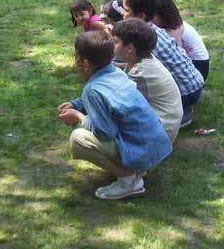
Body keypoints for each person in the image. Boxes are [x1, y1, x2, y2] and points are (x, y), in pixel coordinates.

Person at [58, 31, 172, 200]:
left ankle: (128, 181)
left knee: (78, 139)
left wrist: (78, 116)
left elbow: (105, 132)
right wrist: (77, 104)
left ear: (85, 63)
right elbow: (109, 98)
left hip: (142, 151)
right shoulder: (116, 72)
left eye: (77, 58)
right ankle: (137, 169)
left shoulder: (92, 90)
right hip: (155, 146)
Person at [122, 0, 204, 127]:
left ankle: (179, 113)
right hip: (196, 85)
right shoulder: (154, 30)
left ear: (141, 16)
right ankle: (185, 109)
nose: (123, 14)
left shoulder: (143, 39)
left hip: (185, 93)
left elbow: (139, 72)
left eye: (126, 10)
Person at [112, 19, 183, 142]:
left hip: (159, 134)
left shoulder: (139, 74)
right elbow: (127, 67)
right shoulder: (145, 59)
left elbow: (118, 100)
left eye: (115, 42)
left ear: (129, 49)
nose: (111, 44)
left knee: (110, 120)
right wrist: (115, 66)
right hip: (167, 123)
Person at [152, 0, 209, 81]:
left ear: (163, 14)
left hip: (198, 66)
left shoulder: (173, 31)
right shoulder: (173, 24)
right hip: (194, 63)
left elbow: (174, 59)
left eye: (152, 16)